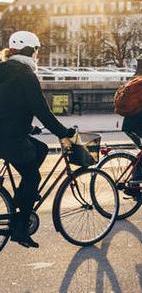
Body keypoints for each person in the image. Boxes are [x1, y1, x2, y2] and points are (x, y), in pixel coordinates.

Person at [0, 31, 76, 248]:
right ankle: (20, 228)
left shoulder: (2, 69)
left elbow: (9, 104)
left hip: (7, 133)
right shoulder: (25, 74)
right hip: (10, 139)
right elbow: (42, 110)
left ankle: (20, 198)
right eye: (35, 51)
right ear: (29, 51)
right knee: (32, 177)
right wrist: (63, 132)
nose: (36, 55)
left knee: (41, 149)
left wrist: (29, 127)